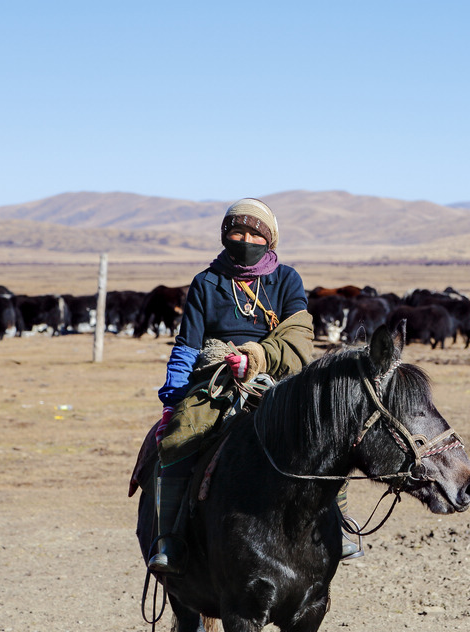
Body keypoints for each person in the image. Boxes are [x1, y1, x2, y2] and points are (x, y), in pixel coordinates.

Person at [147, 197, 361, 575]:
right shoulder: (206, 282)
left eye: (253, 233)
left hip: (276, 380)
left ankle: (338, 528)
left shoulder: (286, 279)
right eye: (236, 231)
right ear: (224, 235)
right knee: (180, 436)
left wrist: (254, 359)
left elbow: (298, 340)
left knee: (323, 437)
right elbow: (187, 347)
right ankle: (170, 541)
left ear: (269, 240)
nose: (244, 238)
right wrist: (172, 400)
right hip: (215, 380)